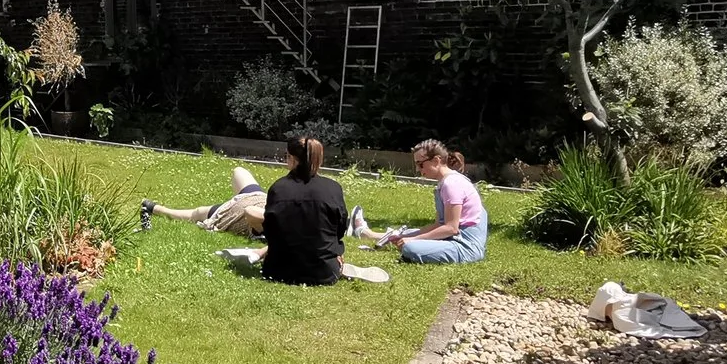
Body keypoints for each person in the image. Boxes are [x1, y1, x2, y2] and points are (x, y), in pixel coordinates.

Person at [218, 136, 390, 285]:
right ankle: (335, 265)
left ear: (291, 158)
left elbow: (271, 231)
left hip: (278, 271)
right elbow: (339, 230)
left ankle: (260, 254)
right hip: (324, 272)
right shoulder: (333, 188)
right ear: (319, 159)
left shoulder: (278, 189)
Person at [361, 138, 489, 264]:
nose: (418, 169)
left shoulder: (452, 184)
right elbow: (439, 225)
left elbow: (451, 228)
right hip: (452, 239)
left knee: (410, 248)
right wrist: (406, 237)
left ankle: (373, 235)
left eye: (420, 164)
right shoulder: (445, 182)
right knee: (407, 234)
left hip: (465, 247)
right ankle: (371, 235)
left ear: (436, 160)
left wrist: (414, 240)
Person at [140, 167, 268, 237]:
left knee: (197, 213)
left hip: (235, 212)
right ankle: (235, 201)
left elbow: (250, 212)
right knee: (239, 171)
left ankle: (155, 208)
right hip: (257, 196)